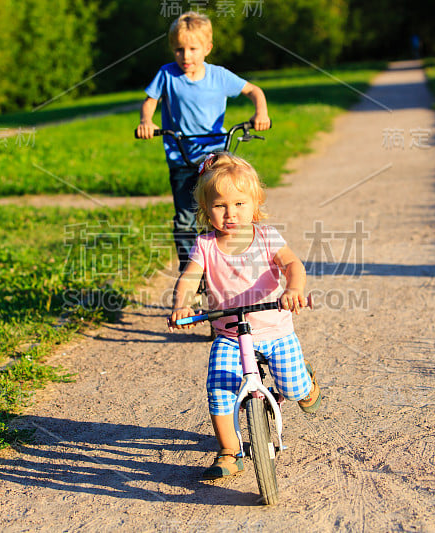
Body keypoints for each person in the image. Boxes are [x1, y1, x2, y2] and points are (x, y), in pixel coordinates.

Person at [168, 153, 321, 480]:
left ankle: (305, 385)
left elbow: (293, 265)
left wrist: (293, 289)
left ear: (255, 203)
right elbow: (189, 278)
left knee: (293, 388)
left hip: (275, 329)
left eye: (239, 204)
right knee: (220, 388)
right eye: (220, 205)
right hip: (229, 334)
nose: (230, 213)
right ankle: (228, 450)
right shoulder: (205, 245)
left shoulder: (266, 237)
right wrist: (181, 303)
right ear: (206, 209)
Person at [136, 11, 270, 275]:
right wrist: (146, 121)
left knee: (221, 210)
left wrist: (260, 113)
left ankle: (227, 263)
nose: (186, 56)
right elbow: (150, 100)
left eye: (193, 49)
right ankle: (191, 272)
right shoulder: (167, 75)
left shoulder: (219, 76)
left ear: (207, 48)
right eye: (179, 49)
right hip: (181, 155)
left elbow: (255, 91)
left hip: (214, 156)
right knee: (185, 219)